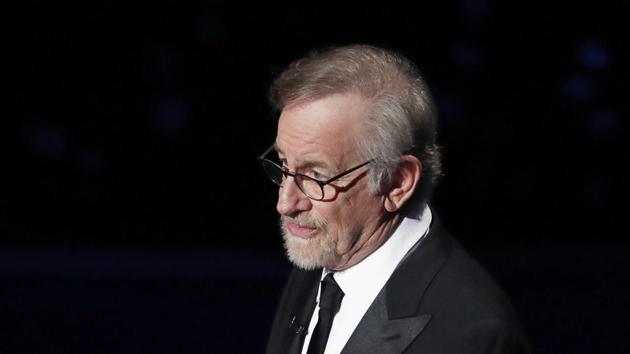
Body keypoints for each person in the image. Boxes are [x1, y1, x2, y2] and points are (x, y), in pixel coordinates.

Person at [260, 45, 530, 354]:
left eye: (316, 176)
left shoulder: (473, 335)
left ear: (398, 182)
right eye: (283, 165)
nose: (286, 203)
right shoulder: (320, 256)